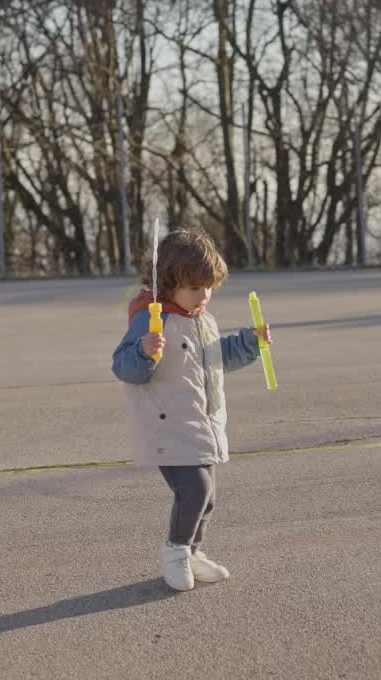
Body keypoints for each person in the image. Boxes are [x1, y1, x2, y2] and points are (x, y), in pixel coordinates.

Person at [111, 229, 272, 592]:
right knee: (195, 491)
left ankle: (193, 553)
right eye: (195, 288)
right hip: (167, 426)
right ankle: (175, 551)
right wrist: (144, 352)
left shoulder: (202, 320)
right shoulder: (152, 318)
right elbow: (124, 366)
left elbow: (217, 359)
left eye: (209, 287)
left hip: (201, 423)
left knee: (207, 498)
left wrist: (249, 342)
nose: (204, 296)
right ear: (168, 284)